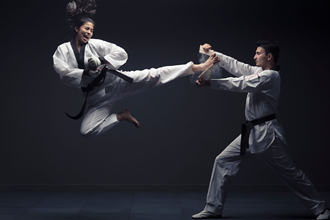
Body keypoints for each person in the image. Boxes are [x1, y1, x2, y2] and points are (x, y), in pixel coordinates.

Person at [192, 40, 330, 219]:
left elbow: (242, 83)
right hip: (250, 133)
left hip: (268, 134)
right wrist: (212, 53)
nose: (254, 56)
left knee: (290, 173)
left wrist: (209, 84)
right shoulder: (259, 71)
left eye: (258, 53)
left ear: (269, 56)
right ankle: (213, 208)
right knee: (222, 161)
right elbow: (236, 66)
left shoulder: (271, 76)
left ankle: (321, 209)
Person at [53, 0, 219, 139]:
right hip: (96, 98)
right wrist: (85, 73)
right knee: (86, 132)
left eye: (91, 30)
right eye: (86, 29)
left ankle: (197, 67)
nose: (89, 33)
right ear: (76, 29)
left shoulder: (95, 45)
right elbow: (63, 73)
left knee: (154, 75)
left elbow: (121, 53)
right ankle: (121, 116)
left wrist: (102, 60)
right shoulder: (63, 50)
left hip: (116, 82)